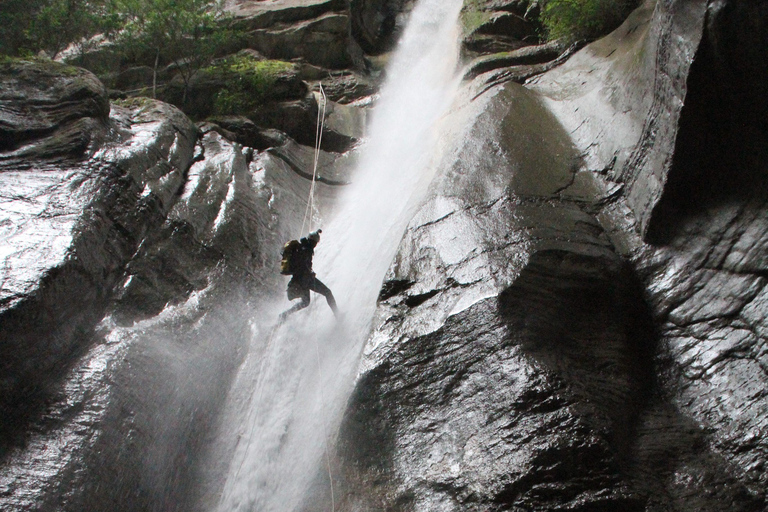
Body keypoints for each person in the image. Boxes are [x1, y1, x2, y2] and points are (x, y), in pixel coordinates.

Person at [278, 229, 338, 322]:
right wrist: (310, 273)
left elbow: (301, 265)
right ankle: (338, 316)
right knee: (327, 292)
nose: (315, 245)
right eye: (315, 242)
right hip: (306, 280)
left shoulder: (302, 247)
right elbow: (303, 265)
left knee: (305, 302)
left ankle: (285, 314)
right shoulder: (307, 249)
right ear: (313, 241)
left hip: (299, 281)